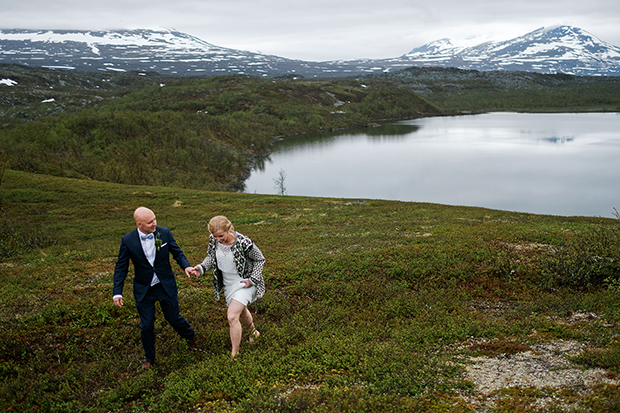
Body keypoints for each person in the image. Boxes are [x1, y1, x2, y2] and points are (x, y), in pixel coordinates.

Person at [113, 207, 196, 370]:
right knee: (147, 324)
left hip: (165, 285)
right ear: (139, 224)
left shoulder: (164, 233)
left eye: (155, 219)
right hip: (144, 289)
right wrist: (117, 292)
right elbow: (121, 267)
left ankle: (191, 337)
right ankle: (149, 358)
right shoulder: (128, 240)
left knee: (173, 318)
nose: (154, 224)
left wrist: (186, 266)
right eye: (150, 222)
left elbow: (177, 253)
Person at [190, 215, 265, 359]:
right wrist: (200, 268)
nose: (218, 239)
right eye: (215, 236)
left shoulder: (244, 242)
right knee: (241, 312)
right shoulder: (213, 241)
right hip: (228, 284)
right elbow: (211, 258)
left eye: (221, 236)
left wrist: (253, 280)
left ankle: (234, 354)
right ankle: (254, 333)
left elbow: (260, 259)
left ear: (229, 229)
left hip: (245, 283)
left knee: (232, 316)